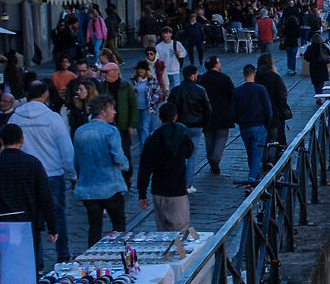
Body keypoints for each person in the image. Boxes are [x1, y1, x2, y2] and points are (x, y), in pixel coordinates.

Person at [12, 81, 76, 264]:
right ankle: (63, 253)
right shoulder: (52, 118)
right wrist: (71, 173)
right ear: (45, 94)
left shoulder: (16, 117)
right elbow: (66, 148)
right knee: (58, 214)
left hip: (26, 174)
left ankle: (36, 259)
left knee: (32, 218)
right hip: (51, 172)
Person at [72, 96, 131, 246]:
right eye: (112, 109)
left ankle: (92, 255)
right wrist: (126, 166)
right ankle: (120, 254)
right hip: (110, 185)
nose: (114, 112)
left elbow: (76, 161)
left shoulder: (79, 131)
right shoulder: (110, 131)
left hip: (88, 187)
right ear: (103, 111)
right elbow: (118, 158)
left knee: (94, 226)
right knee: (119, 225)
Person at [0, 122, 57, 252]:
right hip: (29, 219)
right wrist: (52, 227)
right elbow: (45, 197)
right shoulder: (32, 163)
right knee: (30, 257)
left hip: (1, 220)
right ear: (22, 139)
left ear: (1, 140)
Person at [137, 98, 194, 232]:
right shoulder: (183, 136)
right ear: (175, 117)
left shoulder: (152, 139)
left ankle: (167, 247)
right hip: (177, 189)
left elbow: (145, 168)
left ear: (160, 117)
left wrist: (142, 194)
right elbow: (189, 153)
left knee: (163, 232)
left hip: (159, 189)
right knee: (181, 229)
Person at [230, 64, 274, 185]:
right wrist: (267, 124)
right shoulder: (260, 89)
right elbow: (268, 109)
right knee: (257, 153)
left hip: (245, 126)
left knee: (250, 152)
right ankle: (252, 178)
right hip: (259, 125)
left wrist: (240, 121)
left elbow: (232, 112)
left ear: (243, 75)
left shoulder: (237, 91)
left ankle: (255, 176)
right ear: (254, 74)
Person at [199, 55, 237, 175]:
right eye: (219, 62)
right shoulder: (224, 78)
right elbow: (232, 94)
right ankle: (215, 157)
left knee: (209, 138)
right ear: (215, 64)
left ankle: (211, 161)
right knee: (221, 137)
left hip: (206, 114)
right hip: (222, 113)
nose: (220, 64)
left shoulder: (202, 79)